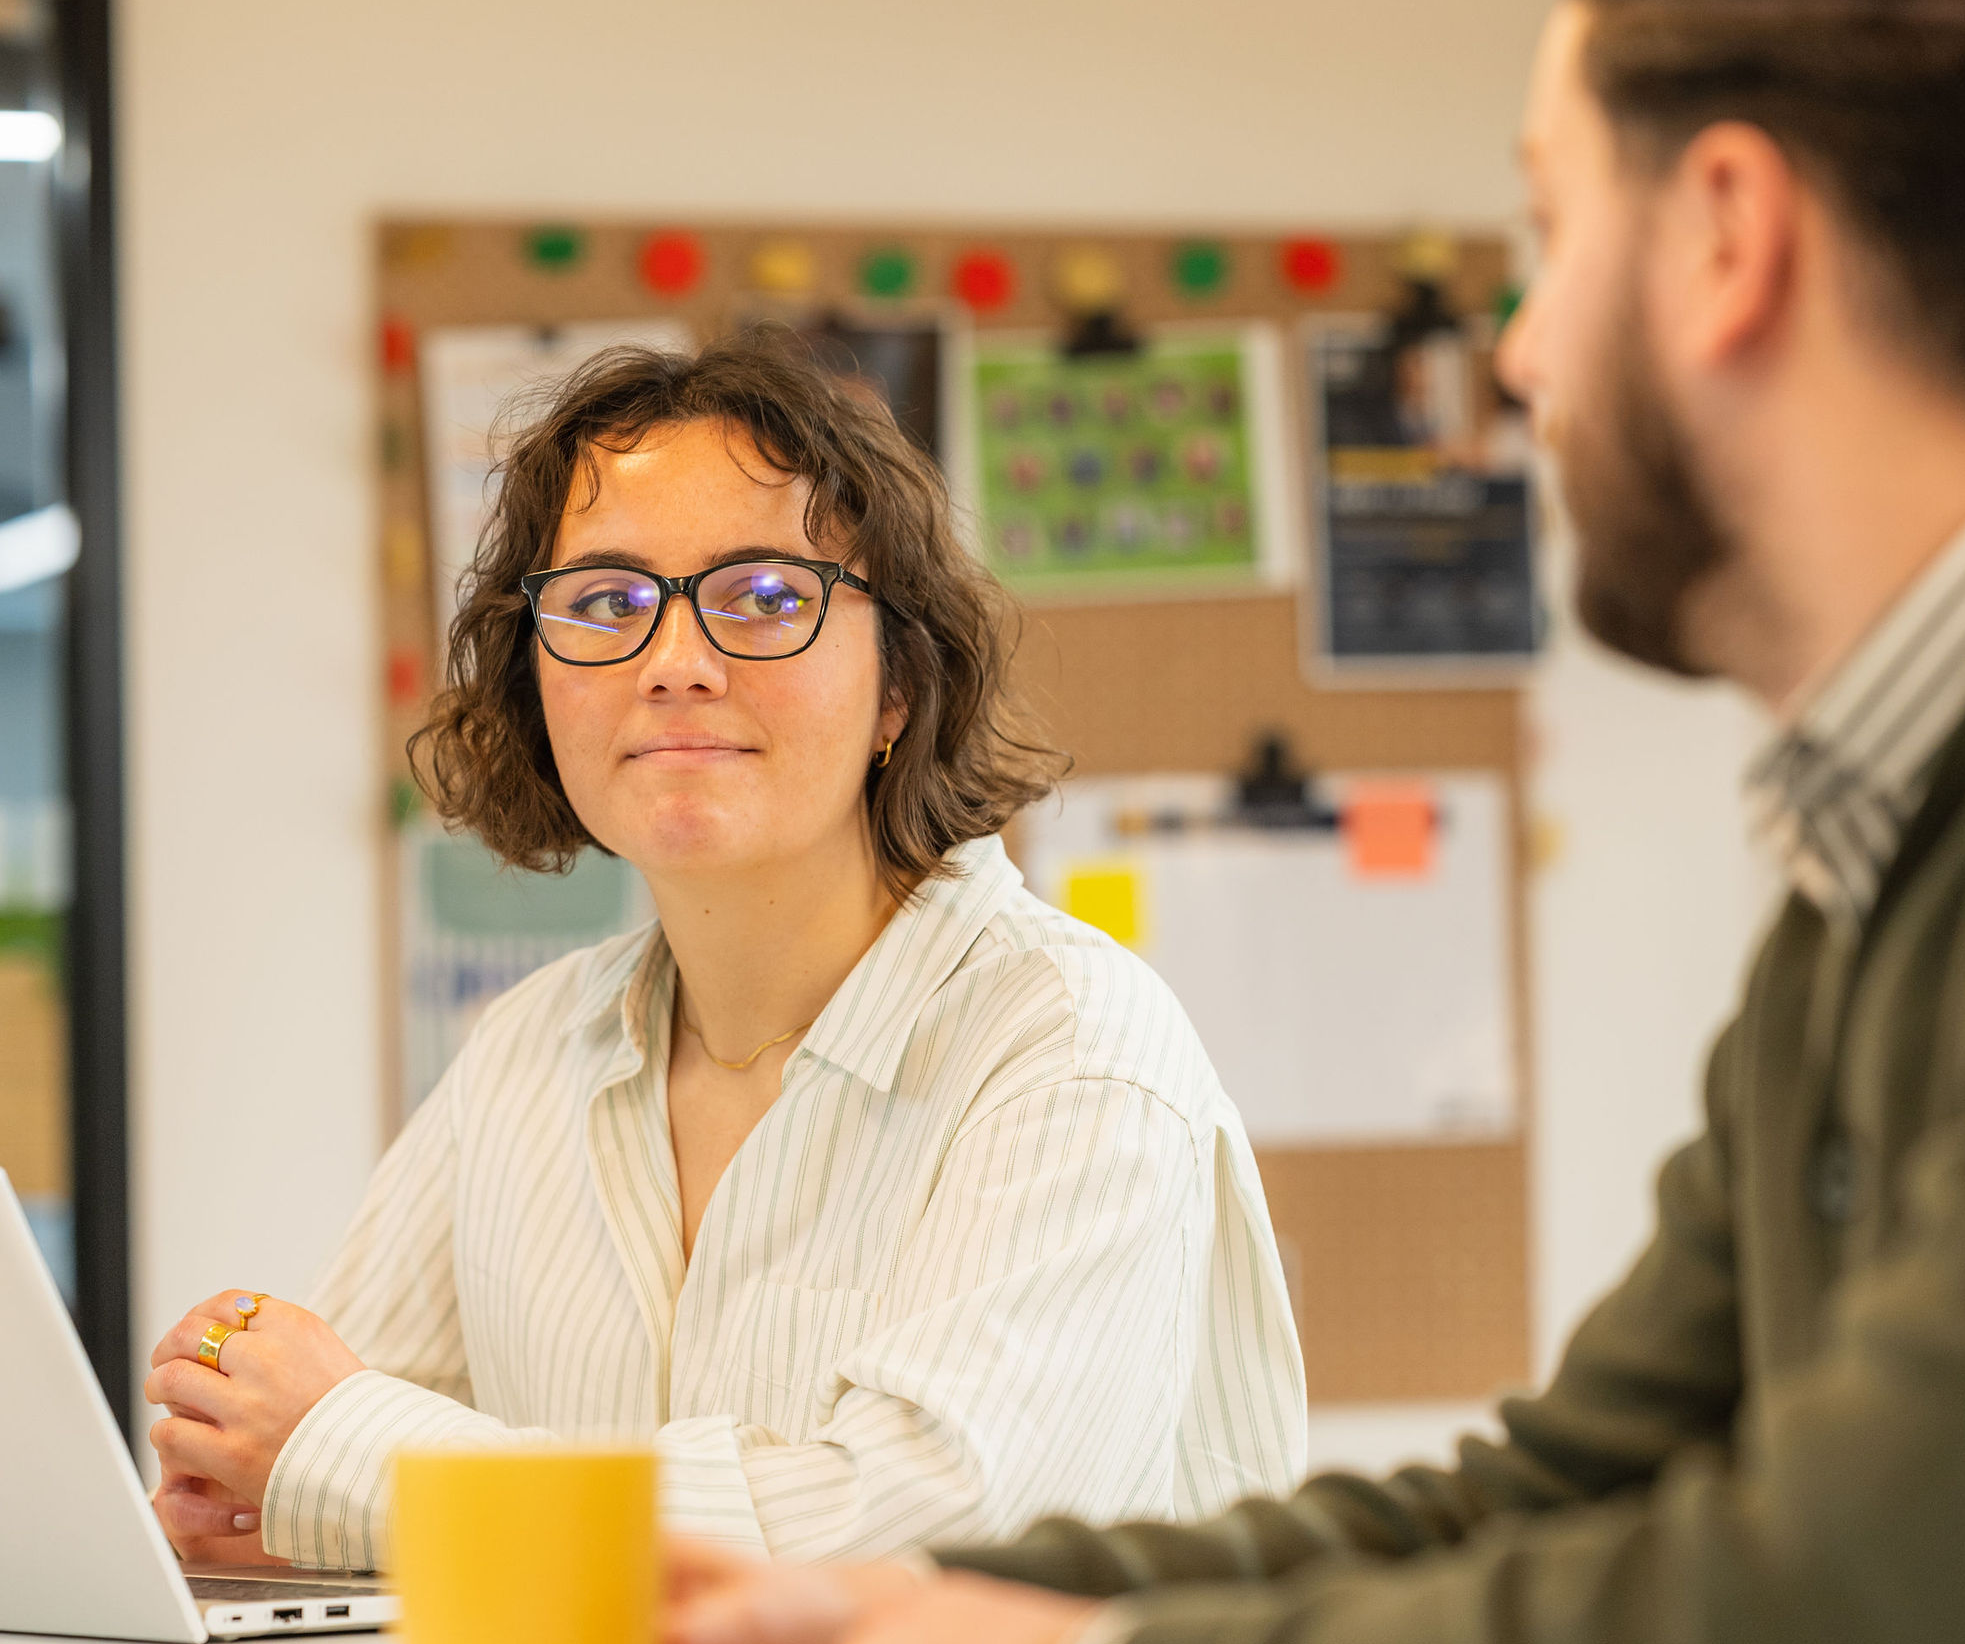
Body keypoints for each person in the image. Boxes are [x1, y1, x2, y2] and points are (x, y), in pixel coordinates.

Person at [657, 0, 1965, 1644]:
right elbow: (1578, 1494)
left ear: (1727, 233)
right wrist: (954, 1613)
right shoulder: (1869, 861)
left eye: (1552, 237)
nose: (1522, 356)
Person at [144, 335, 1305, 1574]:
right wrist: (278, 1496)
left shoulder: (1071, 1051)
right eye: (604, 603)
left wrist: (356, 1463)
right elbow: (313, 1464)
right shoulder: (523, 1058)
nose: (674, 664)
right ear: (537, 683)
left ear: (897, 691)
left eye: (762, 597)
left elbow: (920, 1537)